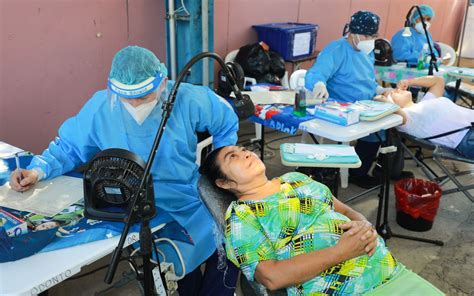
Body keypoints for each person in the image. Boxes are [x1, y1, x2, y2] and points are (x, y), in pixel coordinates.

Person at [9, 46, 240, 295]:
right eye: (126, 97)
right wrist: (37, 172)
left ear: (162, 83)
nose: (134, 104)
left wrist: (221, 168)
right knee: (179, 269)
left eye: (142, 96)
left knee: (231, 244)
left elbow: (226, 121)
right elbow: (69, 147)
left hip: (186, 196)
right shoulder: (101, 107)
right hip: (133, 203)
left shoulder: (187, 99)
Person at [200, 145, 444, 295]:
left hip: (389, 271)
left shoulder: (296, 179)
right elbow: (270, 278)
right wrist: (343, 251)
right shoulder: (243, 215)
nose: (246, 154)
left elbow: (346, 211)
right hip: (345, 290)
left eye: (244, 150)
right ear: (224, 183)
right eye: (233, 156)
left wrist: (364, 225)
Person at [305, 10, 410, 188]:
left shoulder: (366, 51)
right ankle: (357, 174)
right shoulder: (336, 50)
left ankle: (383, 169)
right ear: (352, 32)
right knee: (375, 132)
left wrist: (381, 89)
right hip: (343, 107)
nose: (370, 39)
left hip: (367, 104)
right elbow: (315, 74)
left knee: (388, 129)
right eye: (367, 35)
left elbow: (367, 80)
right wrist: (319, 85)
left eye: (373, 35)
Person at [378, 76, 474, 159]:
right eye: (393, 93)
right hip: (467, 138)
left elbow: (438, 81)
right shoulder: (407, 118)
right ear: (391, 104)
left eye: (395, 88)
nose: (398, 89)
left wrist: (409, 81)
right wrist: (384, 101)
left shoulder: (425, 102)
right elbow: (395, 111)